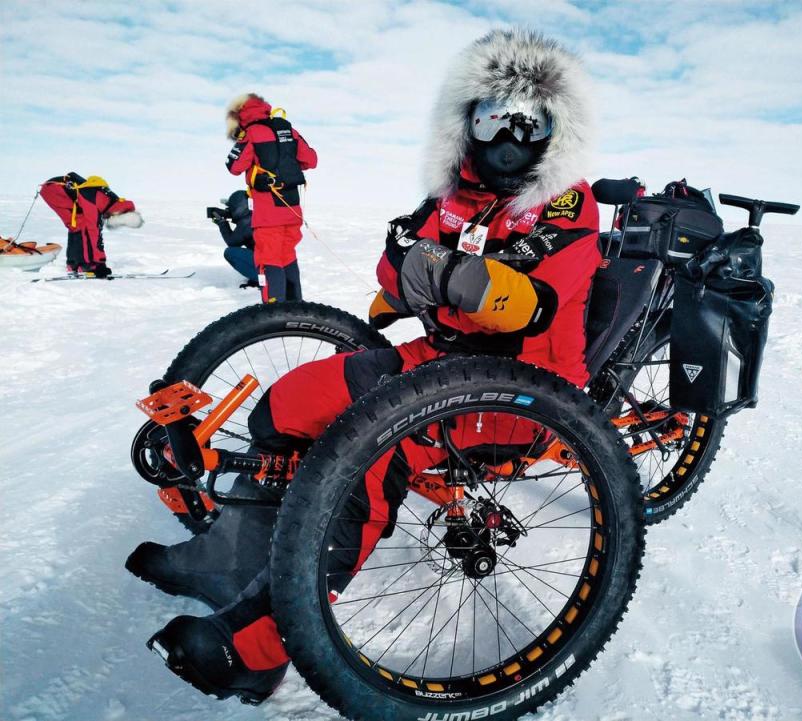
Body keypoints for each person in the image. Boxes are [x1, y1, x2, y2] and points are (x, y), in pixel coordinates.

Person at [128, 28, 598, 703]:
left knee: (365, 450)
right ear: (465, 123)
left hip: (519, 390)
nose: (509, 135)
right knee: (288, 403)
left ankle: (259, 648)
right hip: (436, 362)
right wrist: (423, 265)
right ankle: (227, 561)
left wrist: (440, 270)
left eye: (530, 121)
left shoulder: (563, 200)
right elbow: (394, 269)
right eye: (493, 116)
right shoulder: (454, 198)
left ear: (554, 133)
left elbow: (523, 302)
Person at [224, 94, 318, 303]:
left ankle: (273, 314)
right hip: (292, 210)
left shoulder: (251, 133)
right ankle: (296, 308)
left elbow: (234, 167)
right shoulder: (288, 130)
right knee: (287, 257)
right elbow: (311, 160)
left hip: (268, 214)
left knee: (268, 260)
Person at [39, 173, 139, 277]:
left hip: (50, 189)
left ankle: (74, 264)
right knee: (85, 227)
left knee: (77, 225)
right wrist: (100, 264)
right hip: (56, 190)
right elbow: (93, 231)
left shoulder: (105, 198)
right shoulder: (96, 198)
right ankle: (89, 265)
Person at [212, 190, 258, 287]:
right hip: (275, 261)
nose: (229, 211)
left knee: (230, 253)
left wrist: (222, 223)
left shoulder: (246, 222)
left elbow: (232, 242)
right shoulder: (254, 216)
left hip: (265, 263)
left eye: (230, 208)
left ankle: (259, 278)